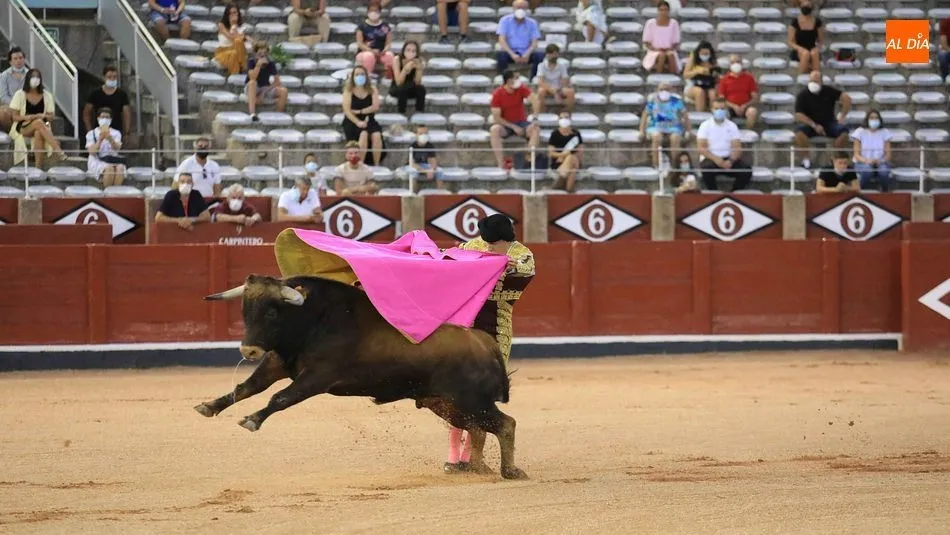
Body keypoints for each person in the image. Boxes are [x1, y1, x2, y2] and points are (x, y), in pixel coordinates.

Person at [444, 214, 535, 475]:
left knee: (483, 394)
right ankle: (453, 456)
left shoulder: (523, 256)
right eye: (485, 244)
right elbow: (447, 257)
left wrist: (499, 263)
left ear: (507, 240)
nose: (487, 249)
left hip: (497, 330)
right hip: (466, 327)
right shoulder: (473, 247)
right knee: (458, 389)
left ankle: (470, 455)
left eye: (493, 245)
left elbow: (522, 267)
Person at [9, 68, 66, 168]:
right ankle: (58, 150)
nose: (35, 79)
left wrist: (44, 116)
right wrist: (32, 116)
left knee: (38, 132)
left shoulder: (47, 95)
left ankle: (38, 167)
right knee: (38, 122)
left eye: (37, 77)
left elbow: (51, 117)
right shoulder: (20, 94)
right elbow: (14, 117)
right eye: (33, 77)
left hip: (42, 126)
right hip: (22, 126)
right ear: (28, 79)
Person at [794, 70, 851, 169]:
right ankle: (806, 159)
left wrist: (842, 115)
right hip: (810, 124)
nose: (813, 84)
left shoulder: (828, 91)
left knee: (844, 132)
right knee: (799, 133)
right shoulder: (803, 95)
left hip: (829, 123)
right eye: (811, 81)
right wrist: (814, 125)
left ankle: (834, 159)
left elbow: (846, 98)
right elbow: (798, 114)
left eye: (815, 81)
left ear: (821, 82)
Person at [696, 98, 751, 191]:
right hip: (711, 159)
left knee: (746, 171)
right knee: (706, 170)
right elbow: (701, 148)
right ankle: (714, 194)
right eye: (716, 108)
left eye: (722, 109)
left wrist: (731, 161)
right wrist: (716, 159)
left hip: (728, 158)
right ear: (712, 109)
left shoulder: (732, 126)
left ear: (726, 110)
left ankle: (733, 194)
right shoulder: (705, 125)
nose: (719, 111)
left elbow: (737, 147)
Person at [490, 70, 541, 169]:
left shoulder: (521, 89)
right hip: (506, 124)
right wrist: (513, 127)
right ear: (509, 81)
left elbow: (535, 99)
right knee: (494, 130)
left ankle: (526, 159)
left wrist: (535, 117)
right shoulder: (497, 94)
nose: (519, 80)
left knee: (536, 129)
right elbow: (497, 118)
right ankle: (501, 163)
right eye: (516, 78)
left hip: (522, 122)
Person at [639, 82, 689, 169]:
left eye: (667, 89)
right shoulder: (653, 101)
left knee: (675, 138)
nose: (664, 91)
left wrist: (688, 130)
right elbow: (644, 116)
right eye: (662, 89)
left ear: (671, 90)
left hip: (673, 127)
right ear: (657, 90)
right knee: (657, 137)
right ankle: (656, 164)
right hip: (655, 126)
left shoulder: (676, 101)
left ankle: (675, 165)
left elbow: (685, 116)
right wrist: (641, 131)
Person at [342, 66, 383, 165]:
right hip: (352, 121)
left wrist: (360, 111)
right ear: (352, 77)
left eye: (362, 74)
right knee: (363, 134)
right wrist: (358, 122)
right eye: (357, 74)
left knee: (376, 135)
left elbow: (375, 106)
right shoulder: (348, 90)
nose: (359, 76)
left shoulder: (372, 89)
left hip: (369, 119)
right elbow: (347, 111)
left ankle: (377, 164)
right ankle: (360, 164)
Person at [495, 0, 545, 79]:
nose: (520, 10)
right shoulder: (505, 20)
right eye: (518, 7)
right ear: (513, 8)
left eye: (523, 8)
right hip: (511, 52)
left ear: (527, 9)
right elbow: (502, 40)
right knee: (501, 56)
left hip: (526, 52)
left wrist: (527, 54)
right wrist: (512, 54)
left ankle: (534, 79)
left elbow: (534, 42)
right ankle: (506, 80)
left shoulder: (532, 23)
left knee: (540, 56)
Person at [83, 66, 132, 141]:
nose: (112, 79)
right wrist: (89, 131)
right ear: (104, 77)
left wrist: (126, 132)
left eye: (114, 77)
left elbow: (126, 114)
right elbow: (86, 112)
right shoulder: (95, 93)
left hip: (116, 132)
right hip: (98, 131)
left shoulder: (122, 94)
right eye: (109, 77)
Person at [851, 110, 893, 192]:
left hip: (880, 162)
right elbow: (857, 154)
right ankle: (859, 191)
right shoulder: (859, 131)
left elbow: (888, 154)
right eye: (872, 118)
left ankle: (885, 191)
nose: (874, 120)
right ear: (867, 119)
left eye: (876, 118)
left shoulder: (885, 132)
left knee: (884, 172)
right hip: (862, 162)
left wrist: (881, 160)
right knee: (867, 170)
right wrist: (867, 161)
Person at [246, 41, 288, 120]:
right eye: (260, 53)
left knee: (283, 91)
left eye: (265, 53)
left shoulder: (270, 63)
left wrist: (264, 92)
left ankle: (278, 115)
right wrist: (258, 65)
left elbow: (277, 82)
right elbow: (252, 78)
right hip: (252, 88)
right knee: (252, 83)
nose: (262, 55)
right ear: (255, 53)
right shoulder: (251, 62)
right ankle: (252, 113)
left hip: (265, 88)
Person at [85, 107, 126, 187]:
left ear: (110, 119)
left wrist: (110, 139)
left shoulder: (116, 133)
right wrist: (100, 140)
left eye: (107, 117)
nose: (105, 119)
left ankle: (115, 193)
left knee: (120, 168)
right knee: (109, 168)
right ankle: (108, 193)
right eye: (102, 117)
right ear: (98, 118)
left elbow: (118, 148)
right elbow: (92, 152)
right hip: (97, 160)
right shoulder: (91, 133)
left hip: (112, 159)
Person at [532, 43, 575, 116]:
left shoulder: (562, 66)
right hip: (547, 88)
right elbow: (541, 82)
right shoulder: (541, 66)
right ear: (547, 54)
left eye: (556, 54)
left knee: (570, 92)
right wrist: (554, 92)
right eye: (553, 54)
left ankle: (564, 112)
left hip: (559, 88)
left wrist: (558, 90)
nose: (555, 56)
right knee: (540, 91)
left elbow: (564, 81)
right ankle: (542, 113)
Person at [717, 55, 759, 129]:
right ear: (729, 65)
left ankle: (747, 133)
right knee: (721, 113)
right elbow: (721, 99)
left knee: (752, 112)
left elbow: (755, 97)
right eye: (733, 62)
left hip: (746, 107)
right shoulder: (724, 79)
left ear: (742, 64)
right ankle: (728, 136)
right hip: (730, 107)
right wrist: (734, 106)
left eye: (738, 62)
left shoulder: (749, 78)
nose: (735, 64)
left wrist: (744, 105)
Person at [355, 2, 394, 78]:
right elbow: (360, 43)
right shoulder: (362, 26)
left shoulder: (385, 26)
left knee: (389, 55)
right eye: (371, 11)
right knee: (369, 56)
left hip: (380, 53)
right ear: (367, 12)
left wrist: (385, 50)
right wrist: (371, 51)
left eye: (376, 11)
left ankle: (389, 76)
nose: (373, 13)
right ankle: (367, 76)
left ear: (380, 12)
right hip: (365, 52)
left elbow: (388, 43)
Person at [547, 111, 582, 192]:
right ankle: (568, 192)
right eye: (561, 118)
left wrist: (565, 156)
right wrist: (562, 155)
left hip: (574, 161)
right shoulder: (555, 134)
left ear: (570, 119)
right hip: (559, 163)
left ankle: (556, 185)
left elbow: (580, 152)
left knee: (571, 157)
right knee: (572, 171)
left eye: (566, 117)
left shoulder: (576, 134)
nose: (564, 120)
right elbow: (551, 153)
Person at [642, 1, 681, 74]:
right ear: (658, 11)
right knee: (662, 55)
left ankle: (673, 77)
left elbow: (676, 42)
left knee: (670, 55)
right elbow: (646, 42)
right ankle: (658, 76)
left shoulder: (674, 23)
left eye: (665, 10)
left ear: (669, 11)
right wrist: (655, 49)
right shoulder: (650, 23)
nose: (663, 12)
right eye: (661, 10)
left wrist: (669, 48)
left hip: (669, 49)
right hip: (654, 51)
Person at [787, 0, 824, 75]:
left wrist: (817, 48)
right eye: (804, 6)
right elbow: (790, 42)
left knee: (815, 53)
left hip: (812, 48)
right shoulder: (795, 22)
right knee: (805, 54)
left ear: (811, 7)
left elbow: (820, 41)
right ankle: (801, 77)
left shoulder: (817, 22)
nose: (805, 8)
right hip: (798, 50)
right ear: (800, 7)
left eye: (807, 6)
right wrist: (800, 49)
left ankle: (816, 79)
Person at [390, 40, 427, 114]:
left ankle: (419, 112)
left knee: (421, 89)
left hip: (411, 86)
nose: (411, 53)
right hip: (397, 87)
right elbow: (399, 82)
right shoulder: (397, 59)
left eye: (414, 51)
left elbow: (417, 82)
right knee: (403, 89)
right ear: (403, 50)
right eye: (408, 50)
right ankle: (401, 112)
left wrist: (419, 69)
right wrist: (405, 69)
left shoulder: (419, 60)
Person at [683, 41, 719, 112]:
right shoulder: (693, 59)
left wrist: (713, 74)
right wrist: (697, 71)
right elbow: (685, 75)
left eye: (706, 54)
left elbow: (716, 76)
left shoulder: (713, 61)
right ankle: (700, 114)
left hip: (709, 85)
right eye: (702, 53)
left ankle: (713, 114)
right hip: (693, 85)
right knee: (700, 92)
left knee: (712, 93)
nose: (704, 55)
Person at [214, 3, 249, 75]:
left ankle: (241, 67)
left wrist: (235, 26)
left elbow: (240, 40)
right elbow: (231, 37)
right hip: (223, 51)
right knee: (234, 52)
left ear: (238, 13)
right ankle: (241, 68)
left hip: (236, 50)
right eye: (230, 13)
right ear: (227, 15)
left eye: (234, 12)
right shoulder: (221, 25)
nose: (232, 15)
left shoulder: (242, 26)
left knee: (237, 43)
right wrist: (233, 25)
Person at [0, 47, 27, 131]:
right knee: (3, 112)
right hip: (10, 105)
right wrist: (15, 105)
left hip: (26, 105)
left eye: (20, 58)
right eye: (15, 58)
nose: (18, 60)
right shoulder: (4, 75)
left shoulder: (30, 74)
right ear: (10, 62)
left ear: (24, 59)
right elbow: (3, 96)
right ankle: (12, 133)